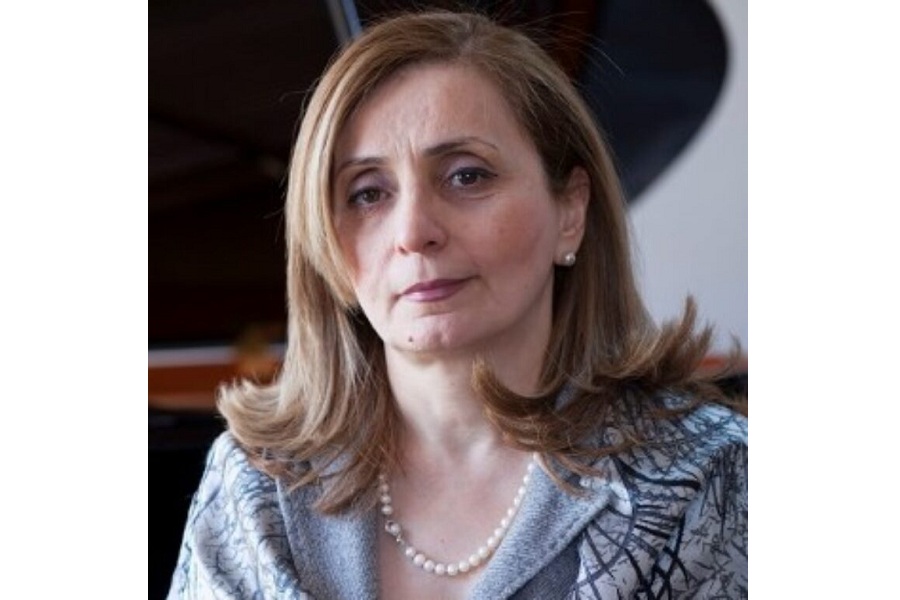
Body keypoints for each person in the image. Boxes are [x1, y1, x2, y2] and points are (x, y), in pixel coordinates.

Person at [167, 10, 747, 600]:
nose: (413, 231)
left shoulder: (705, 475)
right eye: (368, 193)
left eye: (466, 177)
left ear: (570, 211)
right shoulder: (254, 484)